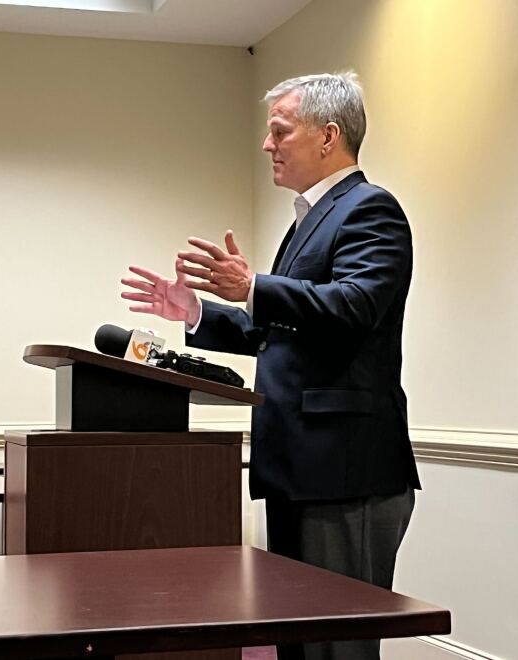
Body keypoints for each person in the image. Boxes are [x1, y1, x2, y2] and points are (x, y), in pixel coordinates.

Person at [121, 72, 420, 660]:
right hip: (297, 464)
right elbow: (277, 329)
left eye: (280, 131)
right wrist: (198, 311)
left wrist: (254, 285)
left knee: (338, 647)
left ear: (329, 136)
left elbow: (354, 307)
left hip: (345, 471)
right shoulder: (310, 217)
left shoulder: (370, 208)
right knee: (298, 641)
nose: (268, 145)